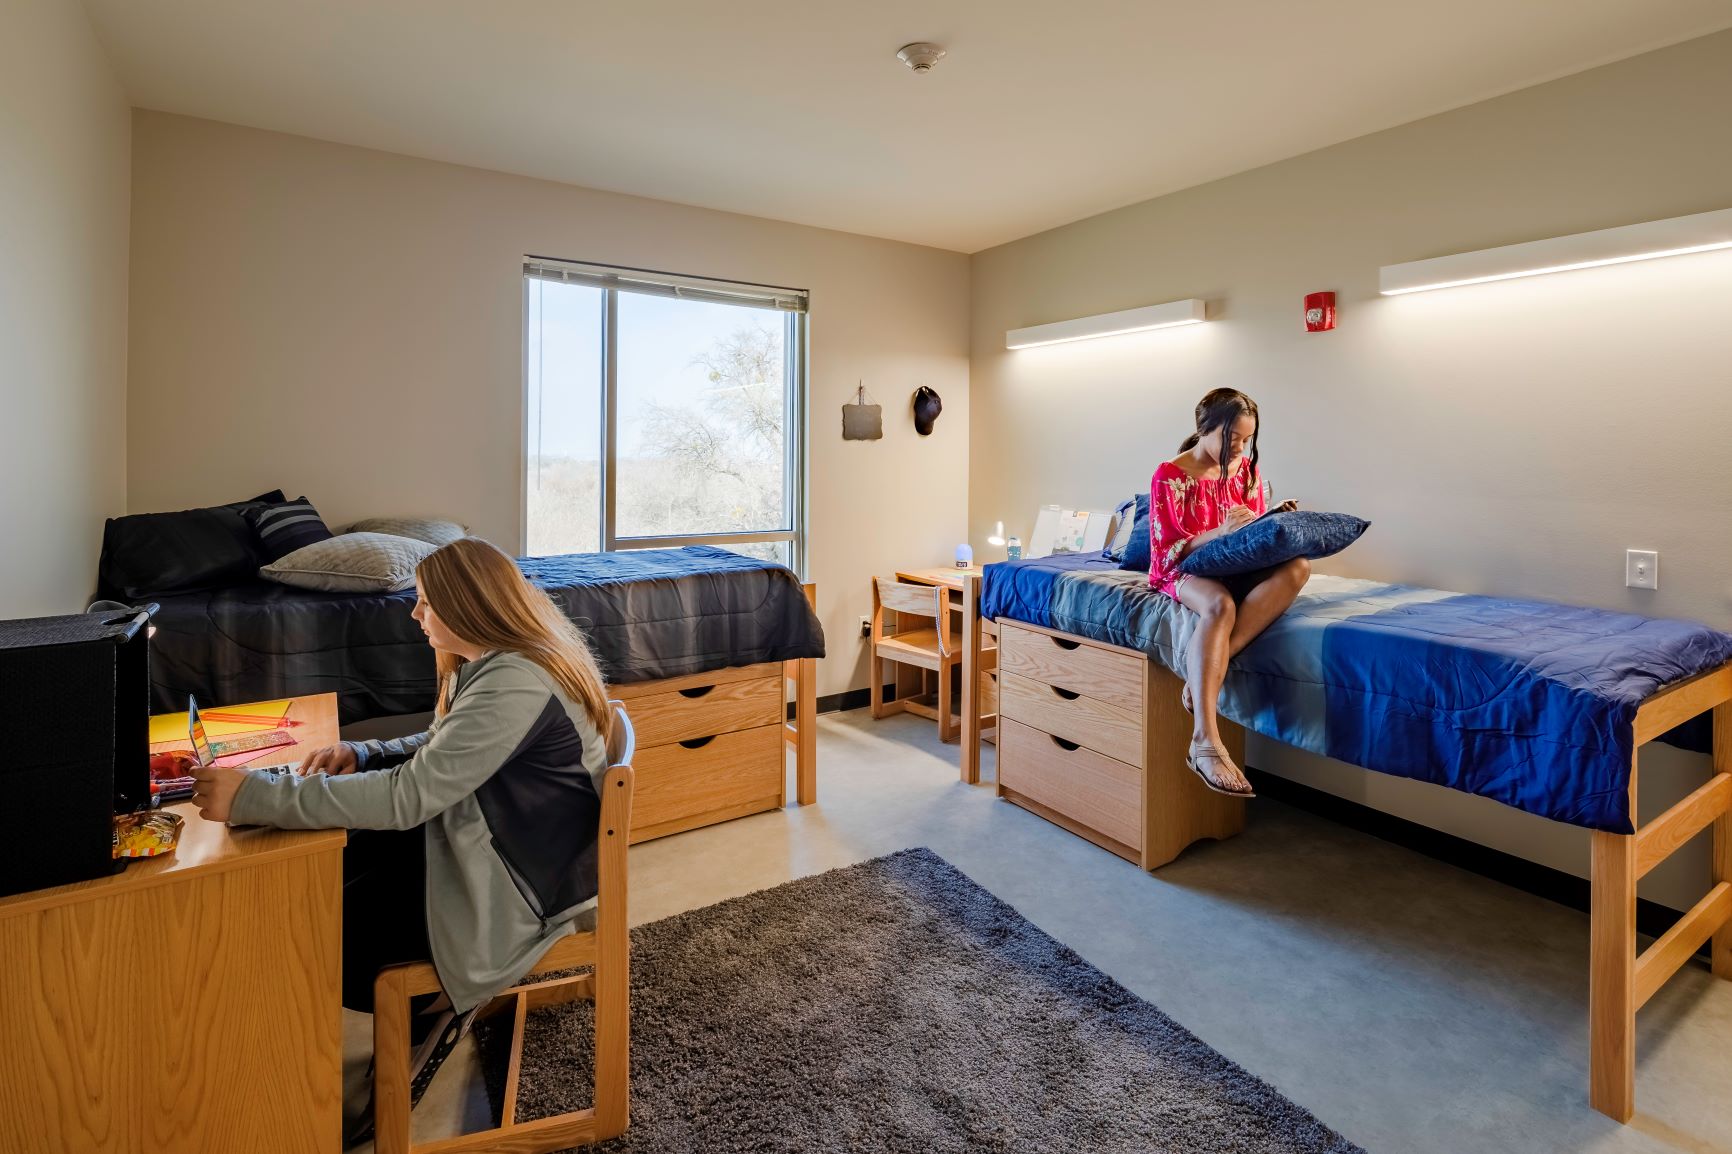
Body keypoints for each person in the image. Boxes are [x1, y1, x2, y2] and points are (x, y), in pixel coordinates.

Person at [190, 536, 613, 1136]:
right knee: (335, 866)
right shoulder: (503, 665)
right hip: (508, 855)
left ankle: (425, 1009)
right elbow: (453, 749)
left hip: (517, 893)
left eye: (424, 603)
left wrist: (257, 795)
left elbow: (408, 797)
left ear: (469, 607)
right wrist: (364, 754)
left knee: (322, 930)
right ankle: (407, 1019)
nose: (415, 615)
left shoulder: (516, 680)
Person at [1149, 388, 1307, 798]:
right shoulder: (1171, 475)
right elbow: (1167, 549)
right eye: (1232, 436)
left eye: (1245, 439)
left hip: (1234, 563)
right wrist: (1219, 532)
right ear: (1205, 428)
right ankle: (1204, 740)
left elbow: (1248, 527)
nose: (1239, 446)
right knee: (1219, 605)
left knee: (1298, 567)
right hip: (1183, 568)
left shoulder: (1245, 470)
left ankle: (1201, 674)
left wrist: (1266, 524)